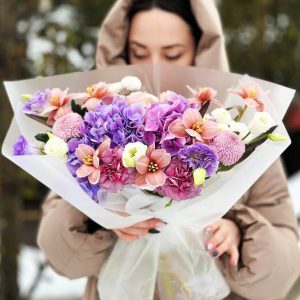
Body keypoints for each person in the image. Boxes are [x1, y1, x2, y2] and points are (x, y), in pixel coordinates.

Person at [37, 1, 300, 299]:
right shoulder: (92, 133)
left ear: (201, 52)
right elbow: (61, 258)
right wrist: (103, 214)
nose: (154, 66)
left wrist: (236, 230)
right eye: (138, 53)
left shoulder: (243, 133)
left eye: (173, 54)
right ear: (121, 51)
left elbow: (281, 274)